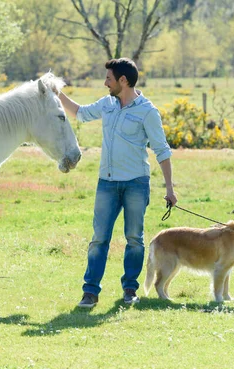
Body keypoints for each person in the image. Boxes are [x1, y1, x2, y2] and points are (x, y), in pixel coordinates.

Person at [59, 58, 178, 307]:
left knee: (134, 238)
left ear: (123, 81)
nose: (105, 83)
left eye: (109, 79)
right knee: (99, 239)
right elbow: (80, 113)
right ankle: (90, 292)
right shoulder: (107, 104)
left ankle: (130, 290)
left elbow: (162, 151)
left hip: (136, 183)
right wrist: (56, 93)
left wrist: (169, 189)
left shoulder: (147, 111)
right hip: (107, 184)